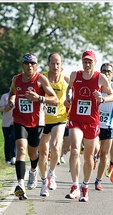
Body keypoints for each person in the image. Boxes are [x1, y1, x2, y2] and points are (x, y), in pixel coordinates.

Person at [3, 53, 59, 200]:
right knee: (21, 149)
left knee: (33, 153)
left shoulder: (41, 79)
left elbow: (55, 99)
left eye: (32, 63)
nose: (29, 66)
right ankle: (20, 184)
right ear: (23, 65)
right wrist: (11, 101)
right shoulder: (17, 79)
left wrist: (39, 98)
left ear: (37, 66)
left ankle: (33, 171)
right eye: (27, 63)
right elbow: (12, 92)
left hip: (37, 122)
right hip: (20, 119)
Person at [64, 50, 113, 202]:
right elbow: (69, 88)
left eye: (90, 62)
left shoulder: (100, 78)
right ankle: (74, 186)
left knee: (88, 157)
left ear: (95, 63)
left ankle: (85, 186)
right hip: (76, 119)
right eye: (85, 62)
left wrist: (102, 98)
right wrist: (68, 97)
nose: (87, 65)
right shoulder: (75, 75)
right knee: (74, 151)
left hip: (92, 122)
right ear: (82, 62)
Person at [38, 53, 70, 197]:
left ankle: (52, 173)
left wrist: (70, 100)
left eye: (58, 63)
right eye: (53, 63)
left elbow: (74, 94)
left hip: (60, 117)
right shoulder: (41, 78)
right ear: (48, 63)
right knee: (43, 153)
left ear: (61, 64)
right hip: (43, 119)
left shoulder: (67, 79)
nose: (55, 66)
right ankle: (44, 182)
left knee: (56, 145)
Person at [0, 88, 16, 165]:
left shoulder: (20, 96)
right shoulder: (5, 96)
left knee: (13, 138)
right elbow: (1, 108)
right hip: (6, 122)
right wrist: (7, 107)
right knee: (7, 140)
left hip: (16, 121)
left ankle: (13, 156)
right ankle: (7, 158)